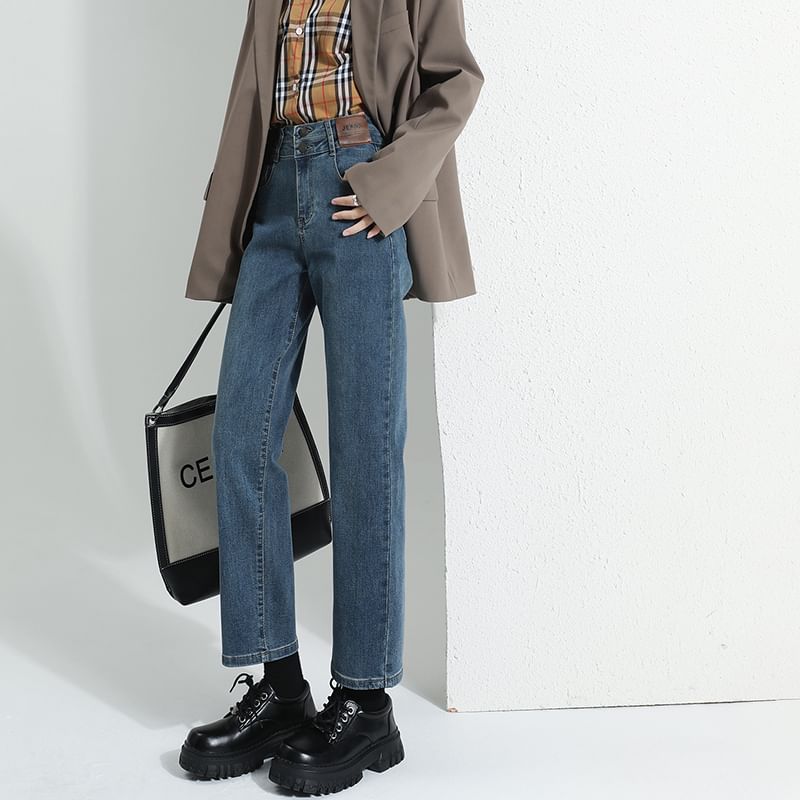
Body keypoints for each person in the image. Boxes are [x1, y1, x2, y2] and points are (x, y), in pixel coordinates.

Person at [178, 0, 484, 793]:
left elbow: (455, 79)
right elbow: (258, 88)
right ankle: (281, 691)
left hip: (361, 193)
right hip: (275, 194)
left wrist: (389, 184)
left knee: (364, 451)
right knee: (239, 439)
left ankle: (366, 703)